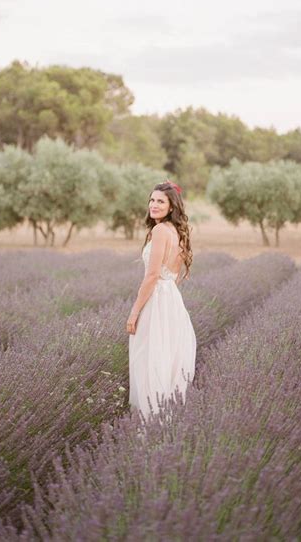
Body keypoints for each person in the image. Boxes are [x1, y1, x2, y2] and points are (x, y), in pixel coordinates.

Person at [127, 180, 197, 422]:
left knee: (150, 362)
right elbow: (173, 277)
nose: (154, 205)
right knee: (167, 361)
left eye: (160, 201)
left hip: (157, 302)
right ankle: (166, 423)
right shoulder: (176, 232)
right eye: (152, 200)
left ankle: (149, 424)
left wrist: (135, 312)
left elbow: (153, 276)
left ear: (171, 207)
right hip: (172, 303)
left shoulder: (159, 231)